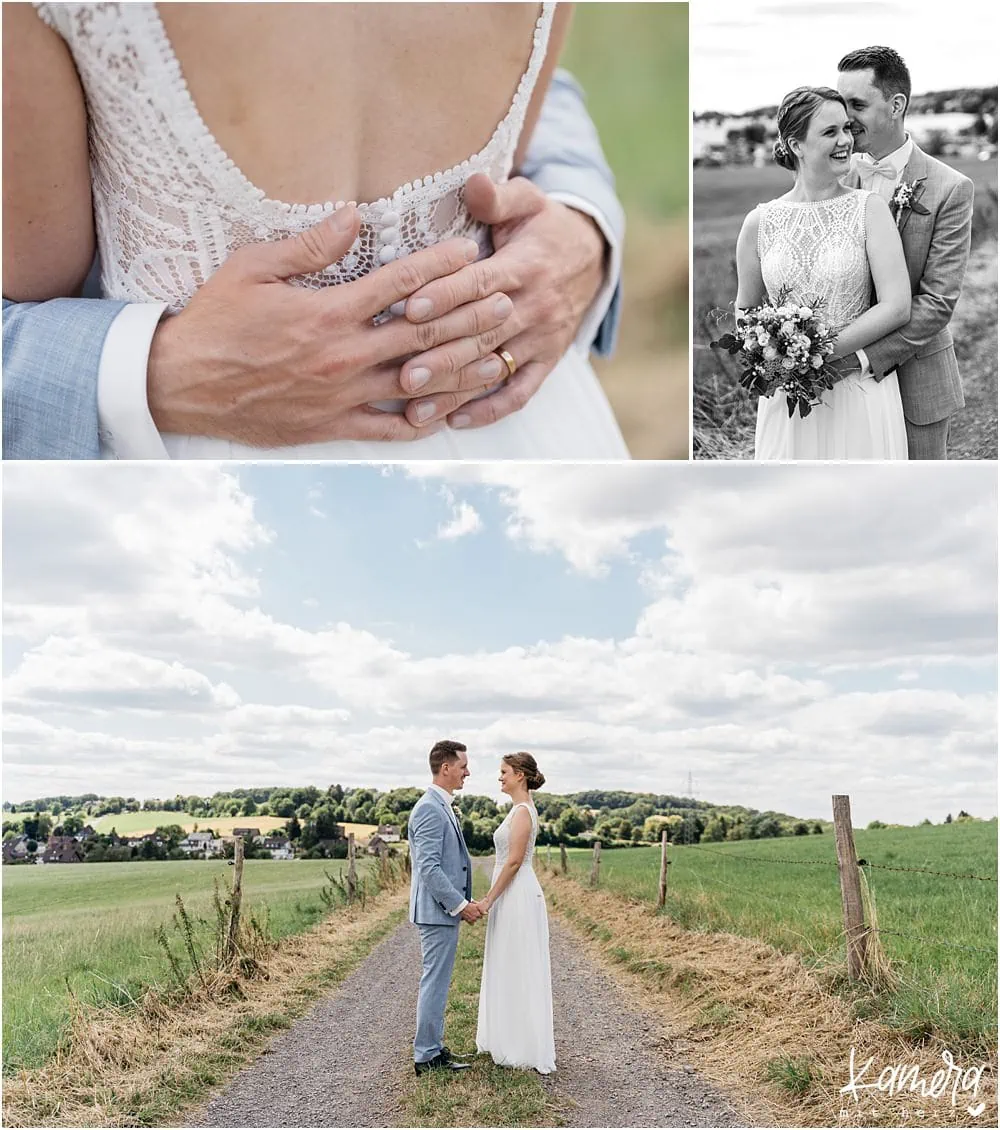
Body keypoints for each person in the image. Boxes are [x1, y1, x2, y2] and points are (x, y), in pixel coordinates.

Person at [3, 2, 628, 460]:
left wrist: (583, 221)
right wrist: (145, 370)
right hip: (512, 432)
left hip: (204, 476)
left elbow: (31, 290)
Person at [735, 86, 911, 460]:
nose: (845, 140)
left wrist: (815, 353)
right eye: (830, 132)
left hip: (858, 392)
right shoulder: (759, 222)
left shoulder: (869, 209)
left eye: (846, 128)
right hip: (787, 400)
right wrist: (767, 354)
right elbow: (745, 309)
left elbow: (897, 305)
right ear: (796, 144)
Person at [837, 46, 974, 460]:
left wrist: (858, 359)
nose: (845, 118)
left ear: (896, 105)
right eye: (840, 103)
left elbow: (937, 303)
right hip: (841, 391)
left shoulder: (949, 187)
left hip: (916, 381)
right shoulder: (834, 179)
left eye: (857, 104)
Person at [475, 752, 555, 1075]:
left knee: (517, 962)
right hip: (511, 893)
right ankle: (505, 1037)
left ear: (520, 775)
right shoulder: (517, 810)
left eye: (504, 772)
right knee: (508, 961)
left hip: (517, 894)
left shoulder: (523, 812)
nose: (500, 777)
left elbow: (514, 862)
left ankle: (520, 1044)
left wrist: (488, 900)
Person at [408, 739, 482, 1075]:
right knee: (434, 982)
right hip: (438, 912)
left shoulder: (441, 805)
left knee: (437, 981)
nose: (468, 771)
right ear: (446, 767)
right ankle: (426, 1056)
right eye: (463, 765)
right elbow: (429, 868)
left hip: (441, 913)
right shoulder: (428, 808)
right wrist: (460, 905)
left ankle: (432, 1047)